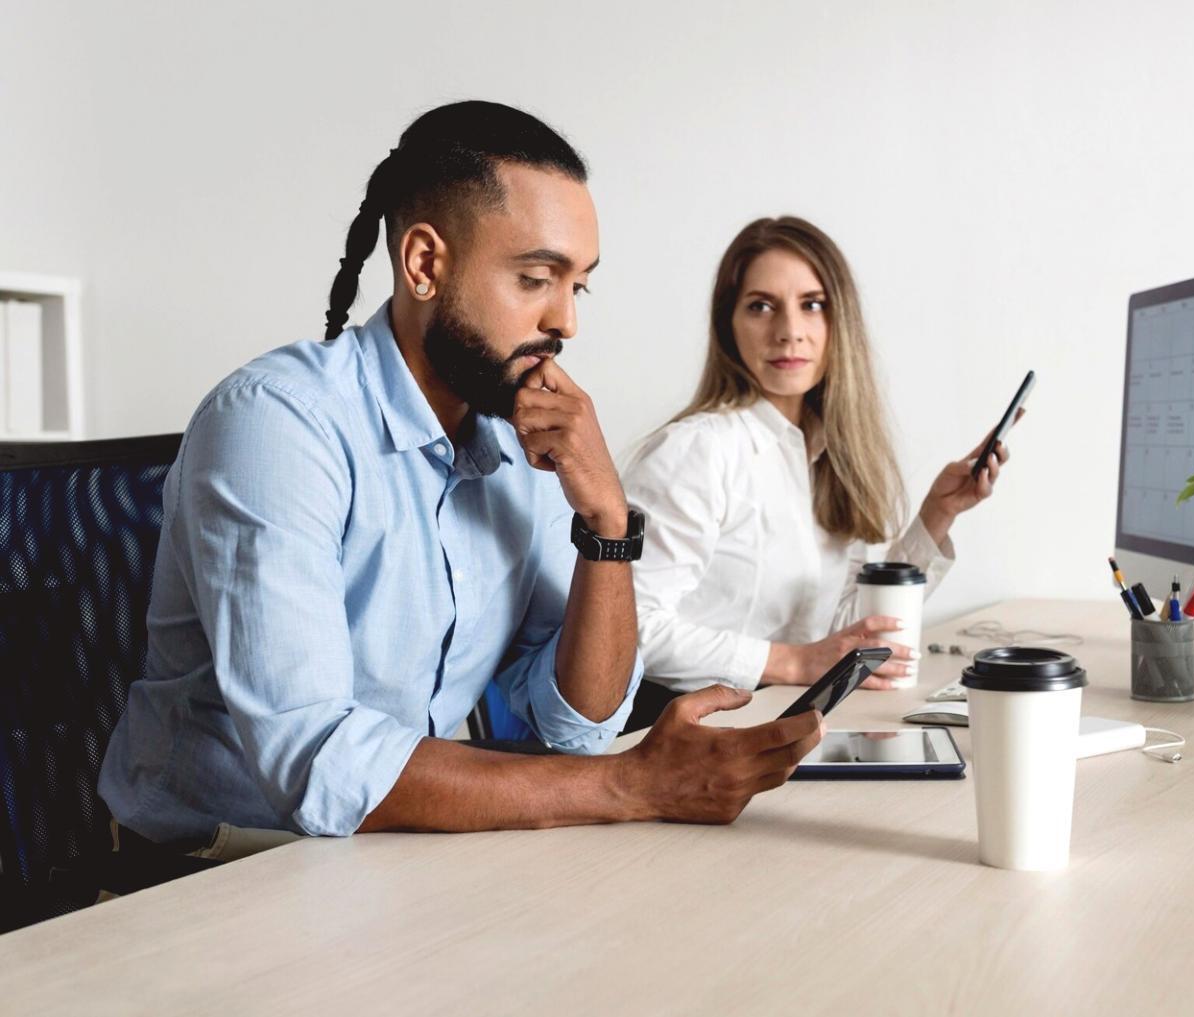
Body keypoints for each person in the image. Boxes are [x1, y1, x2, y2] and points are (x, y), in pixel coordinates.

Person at [96, 102, 823, 849]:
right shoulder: (278, 423)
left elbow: (574, 724)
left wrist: (607, 521)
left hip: (389, 842)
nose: (565, 322)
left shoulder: (517, 435)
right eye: (537, 277)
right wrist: (628, 784)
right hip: (218, 861)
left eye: (579, 286)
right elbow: (317, 760)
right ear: (424, 264)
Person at [621, 216, 1013, 730]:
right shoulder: (696, 451)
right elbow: (628, 631)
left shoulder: (824, 455)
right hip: (670, 731)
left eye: (812, 305)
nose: (789, 332)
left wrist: (936, 517)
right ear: (728, 325)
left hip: (773, 717)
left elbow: (837, 634)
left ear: (838, 323)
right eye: (761, 307)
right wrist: (793, 662)